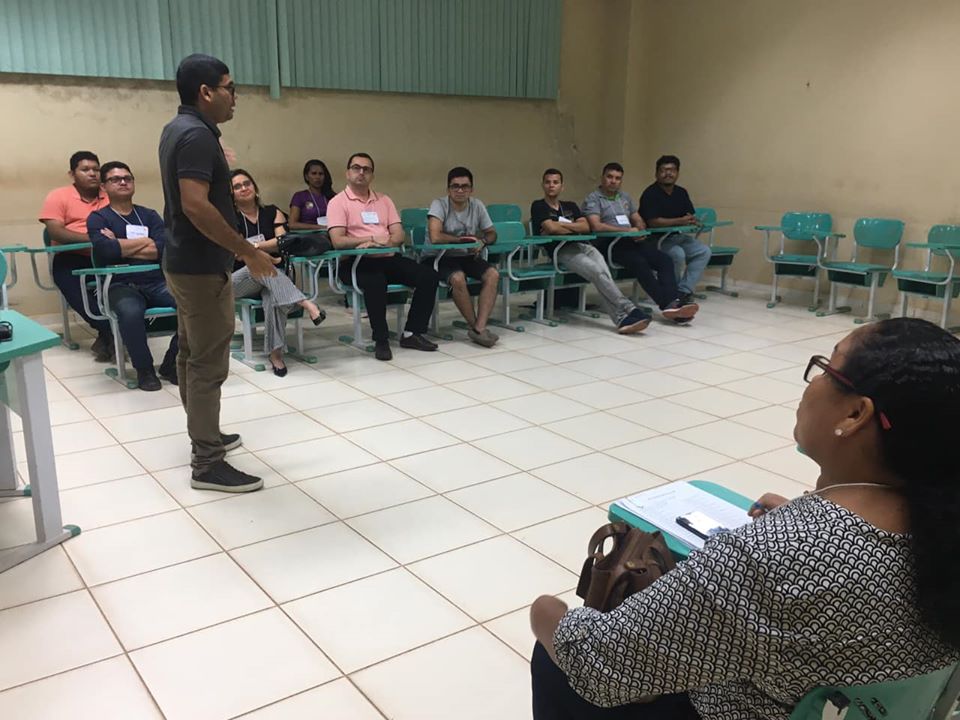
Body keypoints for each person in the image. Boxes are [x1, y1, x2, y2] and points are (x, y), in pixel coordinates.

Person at [529, 317, 960, 720]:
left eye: (827, 368)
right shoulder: (942, 525)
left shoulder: (776, 556)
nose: (812, 383)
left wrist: (548, 612)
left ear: (854, 415)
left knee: (555, 661)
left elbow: (602, 667)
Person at [159, 53, 278, 493]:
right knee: (208, 364)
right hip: (200, 268)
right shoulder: (195, 135)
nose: (235, 96)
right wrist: (247, 251)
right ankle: (207, 462)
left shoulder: (179, 128)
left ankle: (205, 434)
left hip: (184, 263)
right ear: (206, 92)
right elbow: (195, 205)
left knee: (192, 354)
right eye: (230, 88)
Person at [326, 152, 440, 362]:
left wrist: (382, 243)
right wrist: (369, 239)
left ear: (372, 175)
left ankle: (412, 333)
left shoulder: (384, 200)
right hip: (355, 262)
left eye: (366, 169)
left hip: (386, 257)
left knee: (429, 276)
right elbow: (337, 241)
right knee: (375, 282)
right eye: (356, 168)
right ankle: (381, 339)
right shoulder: (337, 202)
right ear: (347, 173)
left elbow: (399, 235)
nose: (361, 172)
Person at [86, 161, 179, 392]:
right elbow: (105, 251)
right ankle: (144, 370)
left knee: (193, 304)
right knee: (130, 312)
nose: (123, 182)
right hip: (120, 284)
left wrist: (119, 244)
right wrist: (145, 242)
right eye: (115, 179)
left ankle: (171, 363)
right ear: (104, 186)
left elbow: (162, 249)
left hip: (155, 281)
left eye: (127, 178)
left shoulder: (149, 215)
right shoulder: (98, 218)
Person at [230, 168, 326, 376]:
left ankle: (276, 355)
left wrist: (254, 249)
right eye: (237, 187)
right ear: (232, 194)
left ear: (255, 187)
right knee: (257, 265)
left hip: (270, 278)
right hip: (238, 281)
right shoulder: (229, 218)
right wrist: (264, 255)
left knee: (273, 296)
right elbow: (237, 253)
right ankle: (306, 303)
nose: (243, 188)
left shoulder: (273, 212)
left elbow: (282, 243)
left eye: (247, 183)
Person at [531, 168, 650, 335]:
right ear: (543, 185)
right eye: (548, 182)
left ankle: (621, 319)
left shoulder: (570, 205)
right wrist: (569, 227)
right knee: (597, 272)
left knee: (604, 273)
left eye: (555, 182)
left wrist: (561, 225)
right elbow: (551, 228)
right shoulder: (538, 206)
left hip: (584, 246)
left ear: (562, 186)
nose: (551, 185)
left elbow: (586, 227)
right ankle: (629, 309)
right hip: (562, 251)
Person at [583, 163, 697, 323]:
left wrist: (640, 229)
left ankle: (673, 302)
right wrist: (626, 231)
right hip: (610, 244)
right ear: (602, 178)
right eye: (609, 177)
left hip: (632, 240)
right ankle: (668, 305)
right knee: (640, 262)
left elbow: (637, 218)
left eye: (617, 178)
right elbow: (596, 226)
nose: (613, 181)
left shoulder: (624, 197)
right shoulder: (593, 198)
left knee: (664, 260)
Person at [38, 150, 114, 360]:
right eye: (85, 169)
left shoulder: (110, 194)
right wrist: (94, 240)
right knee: (73, 286)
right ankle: (110, 332)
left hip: (107, 257)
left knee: (126, 286)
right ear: (72, 174)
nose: (92, 173)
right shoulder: (58, 196)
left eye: (96, 169)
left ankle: (109, 337)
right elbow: (56, 232)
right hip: (71, 257)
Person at [425, 166, 500, 348]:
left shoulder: (477, 205)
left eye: (465, 186)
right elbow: (435, 237)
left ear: (471, 189)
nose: (460, 190)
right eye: (455, 186)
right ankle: (477, 329)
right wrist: (462, 240)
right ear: (448, 189)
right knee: (458, 278)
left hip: (465, 257)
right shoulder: (439, 204)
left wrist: (482, 241)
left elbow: (492, 233)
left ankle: (479, 327)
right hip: (438, 258)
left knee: (493, 274)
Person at [639, 155, 711, 304]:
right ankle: (672, 294)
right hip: (656, 239)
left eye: (672, 170)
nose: (668, 173)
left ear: (677, 173)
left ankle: (683, 291)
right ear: (656, 173)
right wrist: (680, 220)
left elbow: (688, 215)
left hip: (678, 236)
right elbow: (653, 222)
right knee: (677, 254)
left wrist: (693, 221)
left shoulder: (681, 192)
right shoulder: (650, 194)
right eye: (663, 170)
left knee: (704, 251)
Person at [288, 159, 336, 230]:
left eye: (321, 174)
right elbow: (292, 224)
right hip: (308, 235)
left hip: (331, 233)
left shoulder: (333, 197)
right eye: (314, 173)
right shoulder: (299, 196)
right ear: (306, 177)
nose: (317, 177)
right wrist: (320, 227)